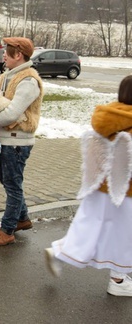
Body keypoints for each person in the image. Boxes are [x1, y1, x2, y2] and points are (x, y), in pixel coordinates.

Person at [44, 75, 132, 296]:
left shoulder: (109, 115)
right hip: (125, 192)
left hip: (98, 187)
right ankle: (118, 279)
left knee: (89, 226)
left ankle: (59, 252)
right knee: (122, 235)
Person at [0, 36, 43, 246]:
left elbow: (12, 113)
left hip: (17, 143)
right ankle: (22, 219)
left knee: (13, 186)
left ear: (18, 55)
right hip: (5, 141)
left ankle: (7, 230)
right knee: (10, 183)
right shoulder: (8, 76)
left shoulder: (29, 81)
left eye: (7, 53)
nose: (3, 56)